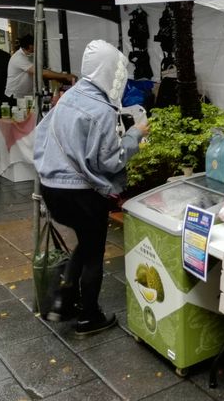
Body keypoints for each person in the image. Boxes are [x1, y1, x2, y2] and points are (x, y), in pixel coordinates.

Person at [34, 40, 149, 336]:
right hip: (82, 195)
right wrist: (135, 134)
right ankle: (89, 316)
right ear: (108, 70)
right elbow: (113, 161)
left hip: (52, 188)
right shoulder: (100, 109)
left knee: (85, 242)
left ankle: (62, 300)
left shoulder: (68, 96)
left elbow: (41, 136)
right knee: (94, 251)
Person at [5, 34, 76, 102]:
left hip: (27, 94)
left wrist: (59, 78)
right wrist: (65, 76)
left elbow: (42, 72)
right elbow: (40, 72)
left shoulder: (30, 55)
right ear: (30, 46)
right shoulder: (19, 58)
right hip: (16, 95)